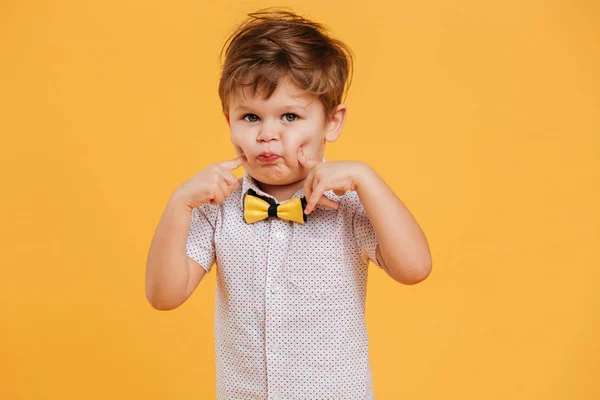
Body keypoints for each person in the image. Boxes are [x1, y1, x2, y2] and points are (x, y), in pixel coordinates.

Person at [146, 7, 432, 399]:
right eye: (249, 117)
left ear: (331, 121)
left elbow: (414, 268)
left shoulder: (349, 204)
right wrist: (178, 204)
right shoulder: (218, 208)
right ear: (227, 120)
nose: (267, 134)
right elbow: (163, 296)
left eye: (290, 116)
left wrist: (366, 178)